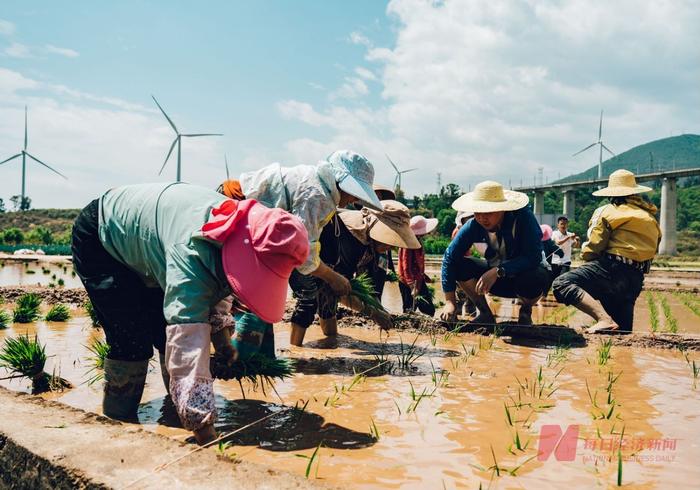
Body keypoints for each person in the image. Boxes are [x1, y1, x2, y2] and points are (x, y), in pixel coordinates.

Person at [71, 183, 308, 444]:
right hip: (103, 238)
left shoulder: (235, 231)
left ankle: (173, 415)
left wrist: (222, 340)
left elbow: (219, 282)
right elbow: (186, 338)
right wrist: (204, 431)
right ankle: (117, 428)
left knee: (164, 336)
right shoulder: (194, 249)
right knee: (131, 341)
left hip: (153, 244)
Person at [289, 200, 420, 346]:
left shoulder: (377, 248)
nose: (389, 246)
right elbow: (341, 288)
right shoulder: (349, 236)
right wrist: (373, 313)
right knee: (309, 301)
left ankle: (331, 341)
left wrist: (379, 309)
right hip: (306, 257)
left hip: (332, 270)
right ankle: (295, 352)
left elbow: (372, 287)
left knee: (329, 304)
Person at [553, 170, 661, 334]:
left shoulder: (608, 211)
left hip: (611, 268)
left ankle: (603, 319)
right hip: (635, 277)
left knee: (562, 284)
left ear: (613, 195)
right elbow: (655, 247)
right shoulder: (650, 218)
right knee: (621, 333)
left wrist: (588, 258)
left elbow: (594, 246)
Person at [439, 181, 550, 325]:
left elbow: (533, 257)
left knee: (533, 277)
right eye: (478, 212)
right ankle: (485, 313)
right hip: (494, 282)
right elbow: (449, 258)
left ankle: (526, 310)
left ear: (502, 209)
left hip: (524, 279)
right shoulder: (473, 226)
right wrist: (450, 302)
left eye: (488, 212)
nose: (482, 218)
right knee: (460, 265)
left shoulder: (523, 219)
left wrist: (499, 271)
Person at [399, 215, 438, 316]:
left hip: (419, 279)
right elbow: (405, 266)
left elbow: (416, 263)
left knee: (429, 309)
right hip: (408, 282)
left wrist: (424, 276)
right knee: (409, 309)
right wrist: (412, 285)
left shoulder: (418, 241)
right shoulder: (408, 243)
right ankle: (408, 329)